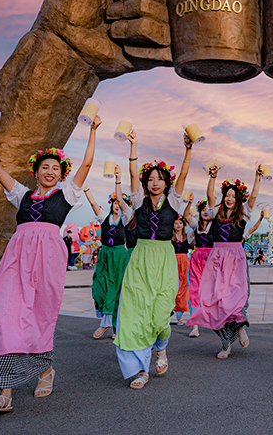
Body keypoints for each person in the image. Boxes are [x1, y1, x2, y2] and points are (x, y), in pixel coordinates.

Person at [0, 115, 99, 413]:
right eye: (44, 167)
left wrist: (93, 131)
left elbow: (85, 166)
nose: (49, 171)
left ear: (61, 175)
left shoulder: (67, 193)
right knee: (5, 315)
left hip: (48, 259)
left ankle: (45, 370)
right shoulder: (21, 195)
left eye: (55, 168)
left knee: (40, 317)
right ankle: (3, 392)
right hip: (17, 258)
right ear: (36, 171)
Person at [114, 130, 192, 390]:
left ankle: (161, 348)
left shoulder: (173, 201)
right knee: (136, 315)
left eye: (159, 179)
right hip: (140, 259)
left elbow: (183, 175)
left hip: (164, 259)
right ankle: (140, 370)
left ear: (165, 183)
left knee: (160, 316)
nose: (154, 182)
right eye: (151, 179)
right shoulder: (138, 201)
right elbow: (132, 174)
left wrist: (188, 150)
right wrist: (133, 147)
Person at [187, 162, 263, 359]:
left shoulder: (244, 212)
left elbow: (253, 196)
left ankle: (239, 328)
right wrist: (212, 177)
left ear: (238, 199)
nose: (229, 198)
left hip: (235, 259)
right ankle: (225, 344)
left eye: (233, 196)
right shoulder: (216, 212)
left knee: (236, 298)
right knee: (215, 302)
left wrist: (257, 177)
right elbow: (210, 196)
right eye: (227, 195)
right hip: (217, 259)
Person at [84, 166, 134, 340]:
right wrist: (86, 189)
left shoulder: (126, 218)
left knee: (115, 290)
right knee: (99, 288)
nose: (116, 205)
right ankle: (106, 322)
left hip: (119, 256)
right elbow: (92, 204)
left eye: (119, 202)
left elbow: (123, 201)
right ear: (111, 203)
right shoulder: (104, 217)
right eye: (114, 202)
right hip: (105, 255)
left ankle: (109, 324)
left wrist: (118, 179)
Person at [185, 198, 214, 338]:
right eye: (203, 210)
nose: (206, 212)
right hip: (197, 259)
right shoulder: (196, 225)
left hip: (211, 259)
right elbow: (186, 215)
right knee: (194, 290)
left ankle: (217, 321)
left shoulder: (216, 225)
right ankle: (195, 327)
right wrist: (189, 203)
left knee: (213, 291)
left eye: (208, 210)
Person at [172, 215, 192, 325]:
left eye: (180, 223)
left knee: (184, 288)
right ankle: (171, 311)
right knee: (174, 286)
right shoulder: (171, 237)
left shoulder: (187, 237)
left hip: (184, 263)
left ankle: (180, 316)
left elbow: (195, 229)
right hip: (173, 262)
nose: (178, 225)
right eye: (176, 223)